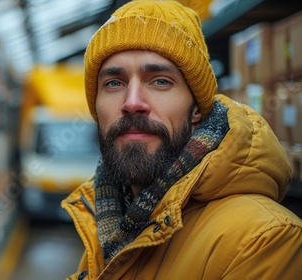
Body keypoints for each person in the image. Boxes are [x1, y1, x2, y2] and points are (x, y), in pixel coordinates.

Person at [60, 0, 302, 279]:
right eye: (114, 83)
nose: (133, 102)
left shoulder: (260, 241)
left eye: (160, 81)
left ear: (197, 108)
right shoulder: (106, 222)